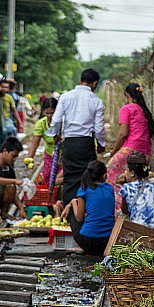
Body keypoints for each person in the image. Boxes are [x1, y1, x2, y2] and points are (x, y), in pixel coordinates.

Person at [47, 69, 106, 208]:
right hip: (86, 144)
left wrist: (55, 135)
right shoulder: (97, 101)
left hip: (70, 143)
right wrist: (101, 144)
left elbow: (55, 120)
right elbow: (99, 128)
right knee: (89, 178)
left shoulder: (65, 97)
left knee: (69, 178)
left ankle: (69, 214)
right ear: (94, 84)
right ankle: (85, 211)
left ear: (80, 81)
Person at [107, 83, 154, 211]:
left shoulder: (126, 109)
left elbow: (123, 134)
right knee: (133, 180)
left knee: (111, 174)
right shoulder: (144, 110)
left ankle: (119, 212)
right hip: (145, 153)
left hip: (131, 148)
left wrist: (113, 153)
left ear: (127, 95)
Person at [61, 160, 115, 255]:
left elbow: (79, 218)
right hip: (108, 241)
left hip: (88, 241)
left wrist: (73, 203)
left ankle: (81, 246)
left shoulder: (84, 190)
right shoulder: (110, 188)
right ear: (104, 175)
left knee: (74, 213)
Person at [119, 152, 154, 229]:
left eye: (126, 171)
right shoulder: (153, 187)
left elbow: (125, 211)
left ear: (132, 173)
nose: (124, 173)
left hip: (139, 227)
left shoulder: (126, 188)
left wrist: (122, 184)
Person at [27, 97, 61, 187]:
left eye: (52, 113)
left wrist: (61, 158)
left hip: (63, 156)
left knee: (59, 180)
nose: (49, 116)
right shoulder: (41, 124)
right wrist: (30, 158)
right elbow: (35, 144)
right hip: (49, 155)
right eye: (47, 113)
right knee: (47, 177)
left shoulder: (63, 123)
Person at [0, 78, 22, 155]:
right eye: (2, 87)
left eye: (6, 87)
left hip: (6, 127)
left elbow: (14, 111)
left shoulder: (9, 98)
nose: (4, 89)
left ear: (8, 89)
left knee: (8, 147)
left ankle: (8, 164)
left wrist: (20, 123)